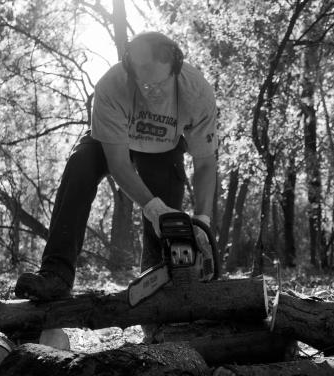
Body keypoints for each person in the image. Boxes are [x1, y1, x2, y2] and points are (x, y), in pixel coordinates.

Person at [15, 31, 217, 301]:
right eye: (145, 85)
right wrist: (153, 209)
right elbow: (119, 164)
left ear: (175, 71)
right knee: (80, 165)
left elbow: (205, 162)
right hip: (112, 142)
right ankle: (56, 274)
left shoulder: (197, 92)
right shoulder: (111, 85)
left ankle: (157, 291)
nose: (153, 93)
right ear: (130, 71)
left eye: (160, 84)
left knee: (169, 222)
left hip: (164, 148)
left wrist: (202, 221)